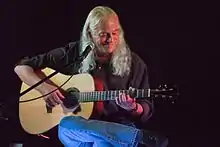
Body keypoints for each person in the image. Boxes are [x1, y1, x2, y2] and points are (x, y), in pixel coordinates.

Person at [14, 6, 168, 147]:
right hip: (79, 132)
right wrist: (44, 88)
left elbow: (146, 108)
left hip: (116, 131)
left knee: (102, 143)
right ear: (90, 34)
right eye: (103, 34)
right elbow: (21, 67)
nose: (111, 39)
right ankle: (137, 137)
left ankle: (130, 136)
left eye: (115, 33)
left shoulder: (134, 63)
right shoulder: (73, 53)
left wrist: (133, 107)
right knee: (66, 125)